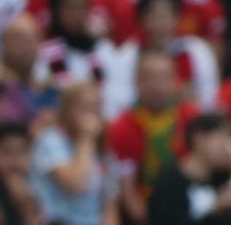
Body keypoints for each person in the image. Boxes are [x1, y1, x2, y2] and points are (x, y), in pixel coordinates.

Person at [106, 52, 201, 224]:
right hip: (146, 207)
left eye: (164, 77)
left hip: (189, 202)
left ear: (175, 81)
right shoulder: (122, 126)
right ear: (137, 81)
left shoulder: (192, 117)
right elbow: (128, 190)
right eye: (149, 77)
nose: (157, 85)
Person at [32, 0, 128, 119]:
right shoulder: (45, 53)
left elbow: (116, 93)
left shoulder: (103, 49)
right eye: (70, 7)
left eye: (82, 7)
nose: (77, 14)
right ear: (56, 11)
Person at [29, 82, 117, 225]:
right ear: (66, 110)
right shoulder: (50, 141)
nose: (91, 114)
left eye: (96, 107)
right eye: (84, 107)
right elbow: (76, 184)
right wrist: (86, 138)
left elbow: (109, 207)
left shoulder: (102, 148)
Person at [148, 112, 231, 225]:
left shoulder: (224, 180)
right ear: (199, 138)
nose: (228, 147)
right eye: (222, 137)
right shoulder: (169, 183)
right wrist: (215, 209)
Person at [0, 14, 56, 123]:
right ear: (5, 43)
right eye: (19, 39)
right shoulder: (2, 86)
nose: (26, 46)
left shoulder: (49, 87)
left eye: (32, 39)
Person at [0, 122, 39, 225]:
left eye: (21, 151)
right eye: (6, 151)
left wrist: (25, 204)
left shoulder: (36, 186)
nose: (14, 158)